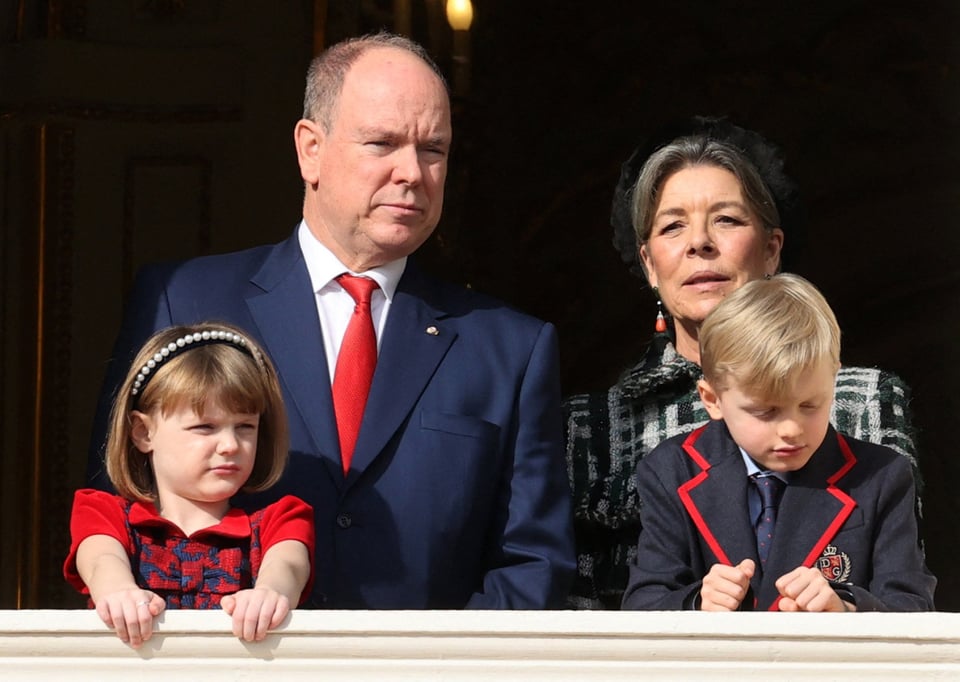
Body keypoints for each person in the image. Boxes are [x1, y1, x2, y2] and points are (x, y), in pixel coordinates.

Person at [86, 32, 575, 609]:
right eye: (381, 143)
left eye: (434, 149)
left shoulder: (510, 347)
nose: (412, 172)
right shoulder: (184, 299)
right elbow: (113, 509)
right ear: (310, 149)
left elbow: (533, 566)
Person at [565, 117, 919, 609]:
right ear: (649, 263)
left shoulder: (863, 398)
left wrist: (848, 609)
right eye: (673, 226)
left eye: (727, 220)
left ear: (773, 248)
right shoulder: (591, 425)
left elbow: (903, 589)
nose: (699, 243)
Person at [621, 274, 935, 611]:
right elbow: (643, 602)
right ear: (712, 399)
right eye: (765, 411)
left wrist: (846, 609)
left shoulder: (882, 476)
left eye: (810, 406)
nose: (790, 429)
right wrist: (698, 602)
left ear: (834, 381)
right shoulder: (671, 470)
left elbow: (912, 606)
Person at [65, 322, 315, 647]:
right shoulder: (103, 513)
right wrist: (118, 591)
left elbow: (288, 566)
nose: (230, 444)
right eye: (205, 427)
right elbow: (101, 561)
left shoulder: (280, 521)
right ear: (143, 433)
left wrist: (270, 594)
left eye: (244, 426)